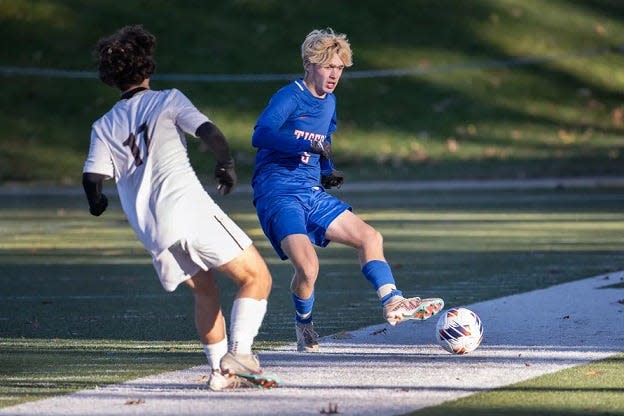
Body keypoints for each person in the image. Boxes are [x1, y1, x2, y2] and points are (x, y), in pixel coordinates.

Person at [82, 25, 280, 390]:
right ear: (148, 67)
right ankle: (240, 353)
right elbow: (208, 131)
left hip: (152, 231)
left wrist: (97, 202)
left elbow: (92, 178)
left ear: (112, 78)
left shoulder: (103, 125)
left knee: (205, 289)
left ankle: (221, 374)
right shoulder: (167, 99)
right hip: (188, 210)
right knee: (257, 278)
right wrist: (226, 164)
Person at [251, 28, 444, 353]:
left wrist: (327, 171)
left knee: (370, 237)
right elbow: (261, 134)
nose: (334, 74)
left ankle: (392, 302)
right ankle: (304, 326)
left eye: (339, 68)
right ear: (310, 64)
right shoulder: (289, 96)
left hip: (310, 191)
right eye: (328, 66)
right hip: (278, 193)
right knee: (309, 268)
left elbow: (323, 144)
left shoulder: (330, 103)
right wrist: (304, 144)